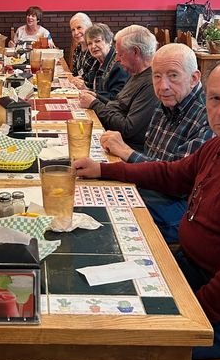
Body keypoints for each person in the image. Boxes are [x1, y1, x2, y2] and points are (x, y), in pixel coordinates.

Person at [72, 58, 220, 360]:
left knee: (118, 344)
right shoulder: (219, 147)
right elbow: (169, 174)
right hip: (190, 271)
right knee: (103, 303)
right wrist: (104, 169)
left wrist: (187, 320)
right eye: (214, 99)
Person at [100, 43, 213, 242]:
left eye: (173, 75)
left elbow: (179, 184)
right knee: (100, 193)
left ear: (194, 78)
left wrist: (127, 152)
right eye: (157, 76)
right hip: (153, 186)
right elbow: (154, 158)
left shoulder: (208, 116)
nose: (163, 86)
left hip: (185, 207)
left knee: (110, 217)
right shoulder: (165, 103)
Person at [79, 25, 158, 152]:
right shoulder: (136, 73)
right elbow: (118, 105)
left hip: (126, 149)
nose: (116, 59)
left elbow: (128, 129)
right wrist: (97, 97)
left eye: (120, 53)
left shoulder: (152, 83)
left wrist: (95, 104)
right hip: (113, 137)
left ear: (136, 52)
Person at [79, 23, 129, 103]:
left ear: (109, 41)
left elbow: (115, 97)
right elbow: (89, 82)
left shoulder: (118, 65)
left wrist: (89, 91)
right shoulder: (96, 61)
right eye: (89, 43)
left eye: (97, 41)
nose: (93, 46)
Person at [68, 12, 93, 87]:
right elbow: (75, 74)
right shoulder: (77, 49)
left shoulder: (94, 50)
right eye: (73, 30)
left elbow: (93, 81)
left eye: (79, 28)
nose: (76, 32)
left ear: (89, 27)